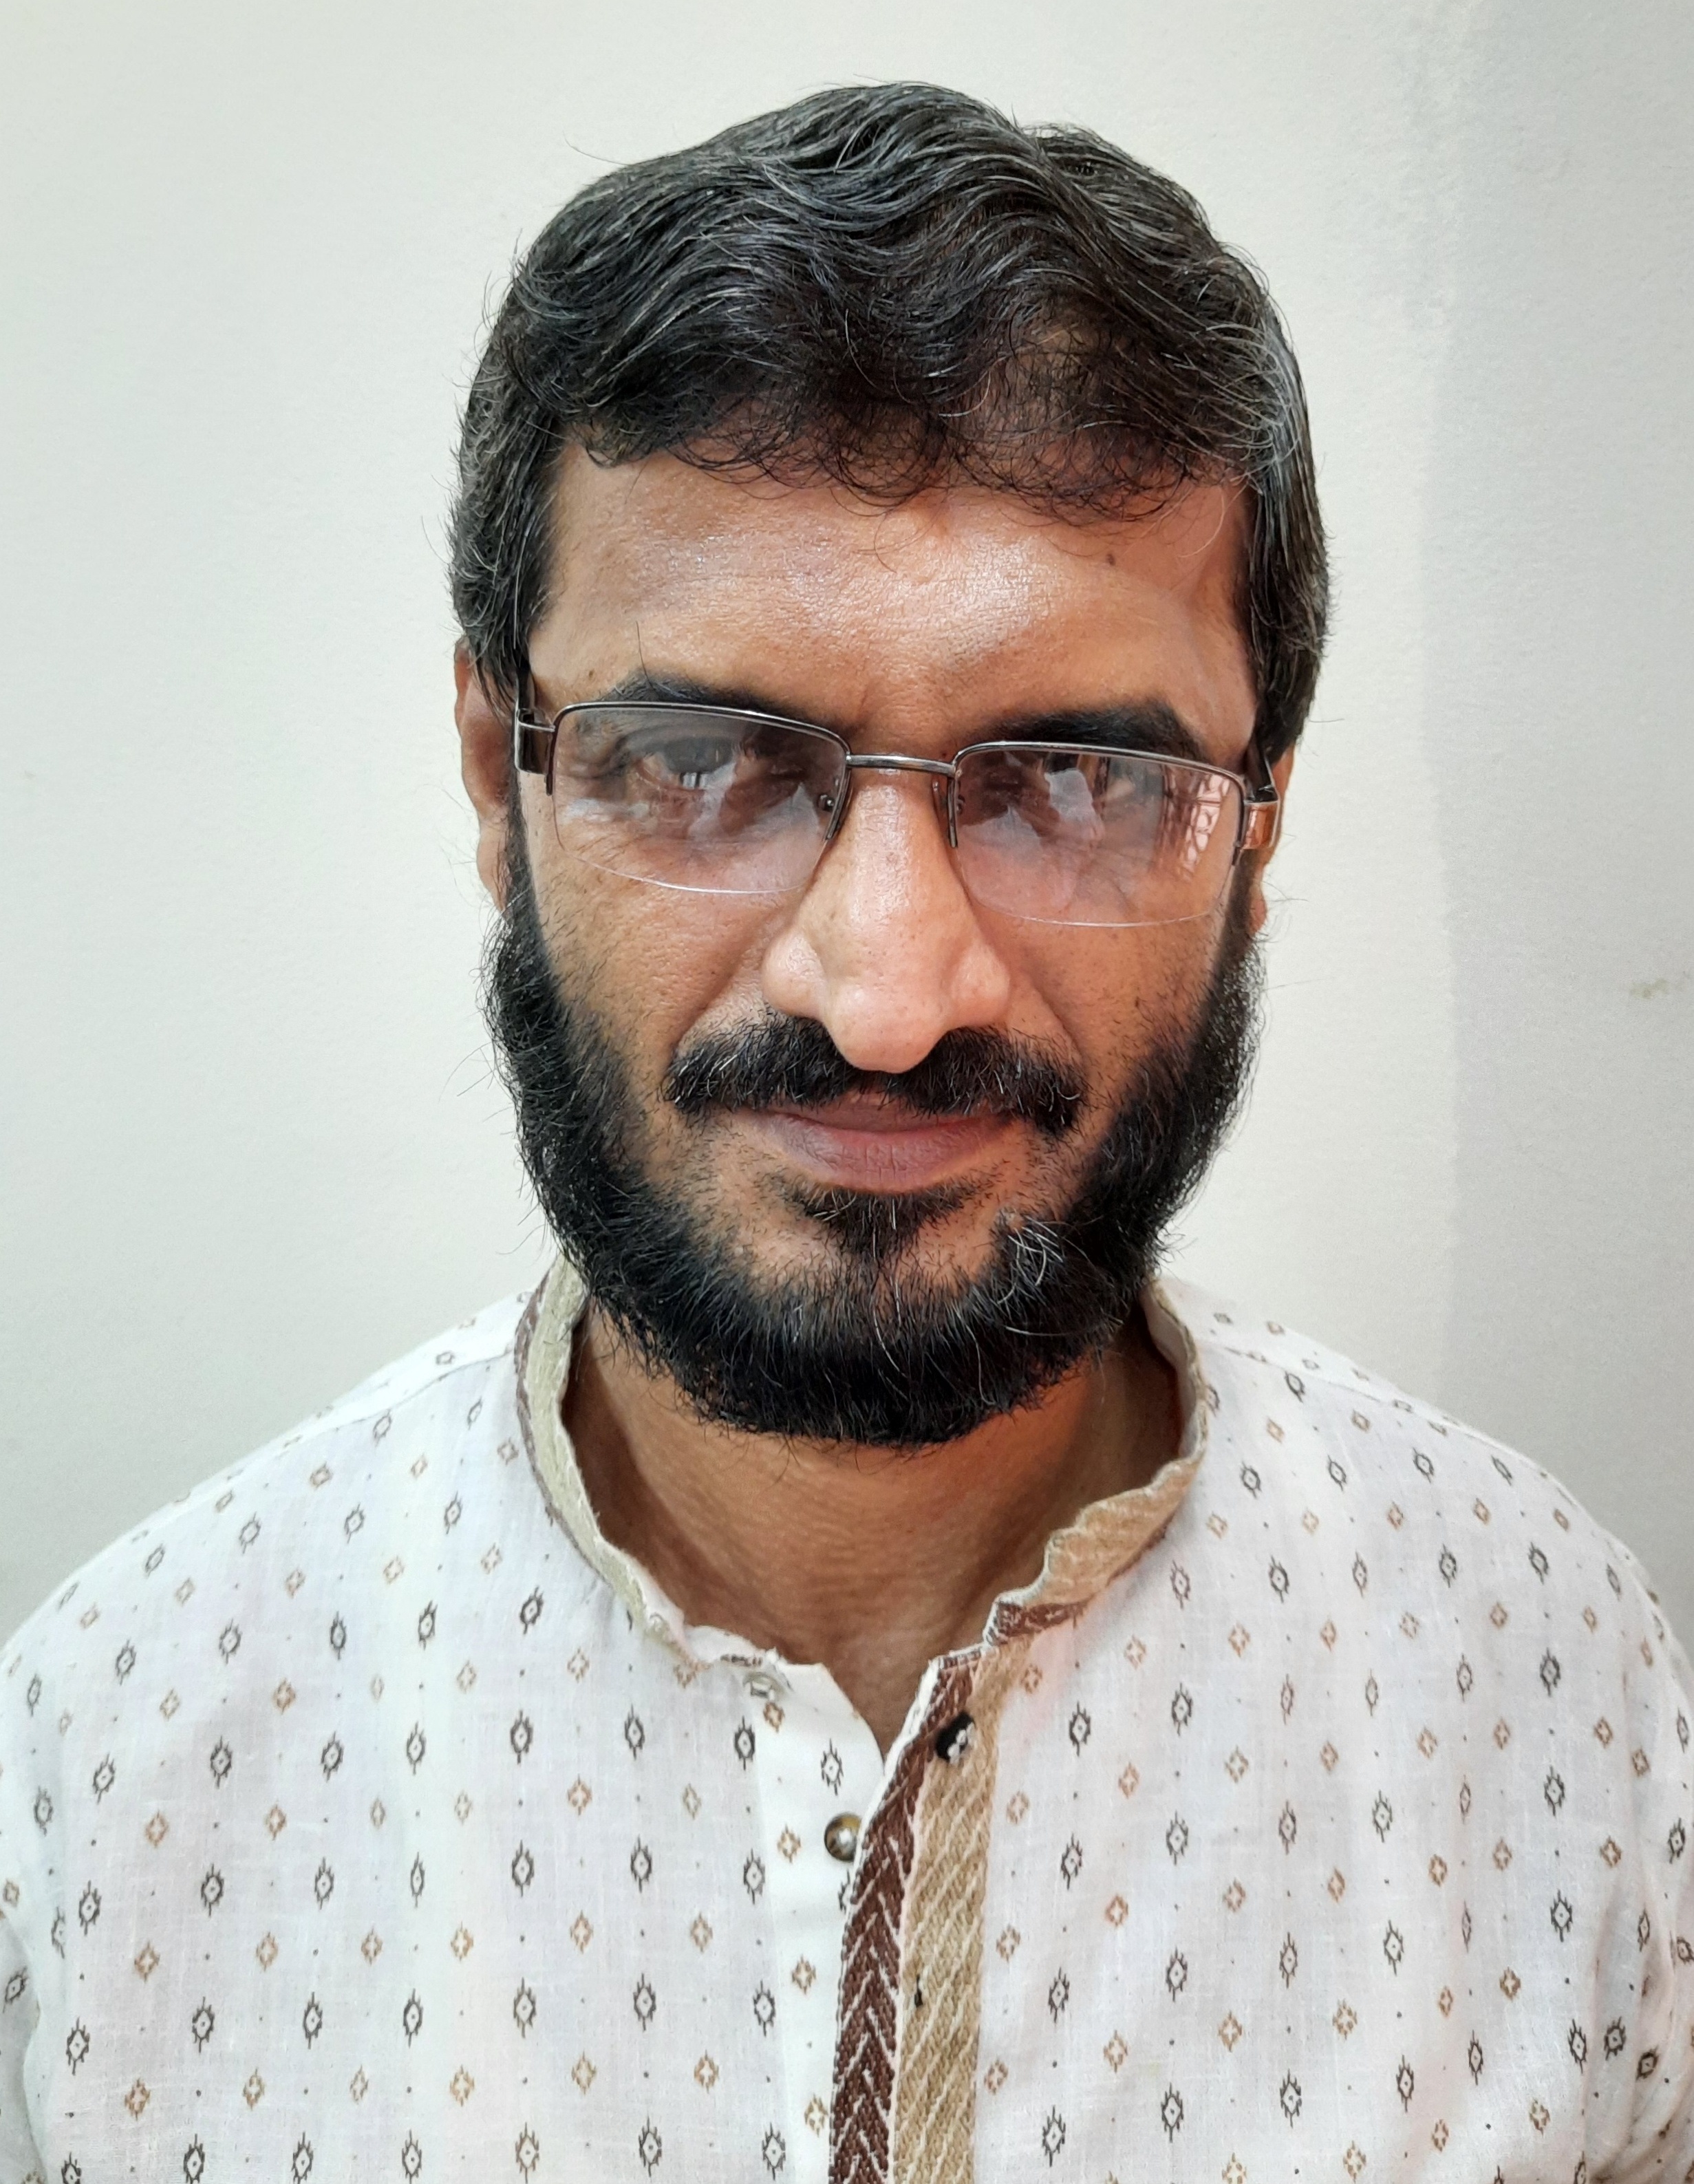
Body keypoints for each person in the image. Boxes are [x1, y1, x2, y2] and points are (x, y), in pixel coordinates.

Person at [2, 80, 1688, 2184]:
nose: (889, 995)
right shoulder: (115, 1760)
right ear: (497, 778)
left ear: (1257, 840)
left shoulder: (1558, 1687)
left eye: (1077, 779)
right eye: (706, 761)